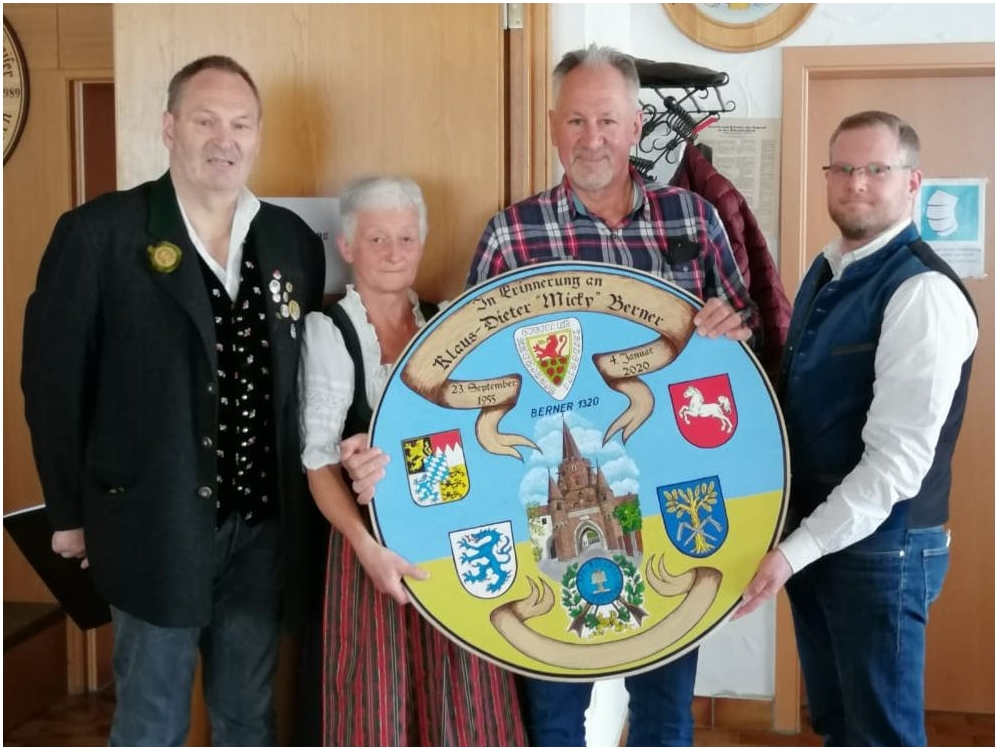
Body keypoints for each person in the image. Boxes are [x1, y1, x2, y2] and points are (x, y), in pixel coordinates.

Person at [341, 44, 758, 747]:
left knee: (665, 712)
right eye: (576, 120)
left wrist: (731, 324)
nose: (592, 138)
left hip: (670, 500)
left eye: (608, 120)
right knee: (553, 719)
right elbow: (469, 375)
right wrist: (388, 444)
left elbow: (745, 341)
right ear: (552, 126)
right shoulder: (512, 233)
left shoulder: (694, 218)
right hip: (541, 507)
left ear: (635, 126)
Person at [21, 55, 325, 746]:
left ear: (257, 135)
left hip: (262, 531)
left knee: (248, 718)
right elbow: (52, 384)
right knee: (152, 721)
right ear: (169, 128)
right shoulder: (99, 234)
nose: (225, 139)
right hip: (150, 528)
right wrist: (67, 514)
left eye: (241, 124)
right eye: (205, 121)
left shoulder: (290, 240)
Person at [734, 111, 978, 745]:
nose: (856, 183)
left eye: (876, 169)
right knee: (841, 726)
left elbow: (896, 466)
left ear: (913, 181)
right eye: (842, 168)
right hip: (822, 543)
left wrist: (792, 552)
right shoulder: (828, 268)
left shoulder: (922, 292)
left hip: (882, 553)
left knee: (880, 736)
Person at [298, 175, 528, 746]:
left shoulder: (448, 321)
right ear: (347, 246)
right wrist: (366, 548)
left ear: (421, 244)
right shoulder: (331, 332)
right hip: (371, 542)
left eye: (406, 238)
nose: (394, 252)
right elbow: (318, 465)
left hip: (456, 534)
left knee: (465, 700)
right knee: (377, 705)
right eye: (377, 239)